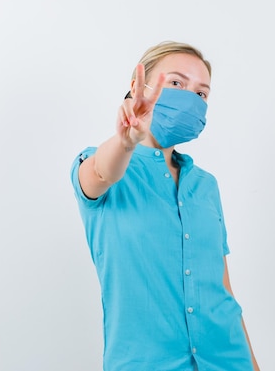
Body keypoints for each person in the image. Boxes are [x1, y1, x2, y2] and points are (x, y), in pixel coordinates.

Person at [70, 41, 260, 371]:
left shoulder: (206, 186)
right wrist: (126, 140)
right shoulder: (98, 164)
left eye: (201, 94)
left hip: (228, 361)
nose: (190, 99)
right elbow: (102, 171)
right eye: (176, 83)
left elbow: (223, 289)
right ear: (138, 87)